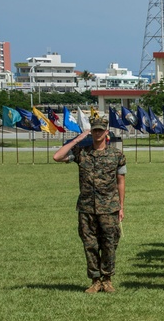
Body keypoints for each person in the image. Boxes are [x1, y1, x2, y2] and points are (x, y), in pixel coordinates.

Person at [53, 115, 126, 293]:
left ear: (106, 132)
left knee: (109, 243)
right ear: (91, 132)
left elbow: (121, 181)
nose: (98, 133)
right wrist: (77, 139)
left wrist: (121, 207)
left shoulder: (116, 155)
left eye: (101, 130)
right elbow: (57, 156)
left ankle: (107, 279)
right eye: (94, 130)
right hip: (86, 207)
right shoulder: (82, 153)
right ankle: (95, 280)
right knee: (90, 244)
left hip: (109, 207)